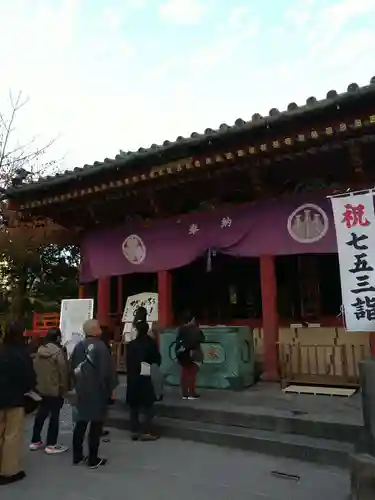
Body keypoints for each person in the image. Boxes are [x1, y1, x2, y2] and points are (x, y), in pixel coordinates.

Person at [70, 319, 118, 469]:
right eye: (98, 326)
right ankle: (93, 458)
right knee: (96, 424)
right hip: (97, 389)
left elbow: (73, 367)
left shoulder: (78, 346)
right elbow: (106, 372)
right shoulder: (100, 347)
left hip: (82, 388)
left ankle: (77, 456)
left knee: (81, 422)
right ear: (94, 330)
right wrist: (111, 390)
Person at [0, 321, 36, 485]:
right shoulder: (21, 353)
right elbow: (28, 378)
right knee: (12, 435)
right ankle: (8, 471)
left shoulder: (2, 350)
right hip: (14, 399)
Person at [30, 327, 69, 454]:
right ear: (57, 338)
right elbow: (63, 371)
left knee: (41, 413)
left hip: (41, 387)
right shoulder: (58, 352)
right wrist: (64, 387)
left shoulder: (40, 350)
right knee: (54, 416)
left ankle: (35, 441)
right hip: (55, 388)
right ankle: (51, 444)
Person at [126, 317, 161, 441]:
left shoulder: (131, 345)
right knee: (147, 405)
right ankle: (146, 431)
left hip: (132, 376)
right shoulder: (150, 344)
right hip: (145, 376)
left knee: (134, 406)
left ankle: (134, 430)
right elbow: (157, 359)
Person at [175, 313, 205, 400]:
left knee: (184, 374)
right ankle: (191, 392)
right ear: (192, 319)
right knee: (192, 374)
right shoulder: (195, 329)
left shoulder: (180, 329)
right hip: (193, 354)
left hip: (183, 354)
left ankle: (185, 393)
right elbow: (202, 338)